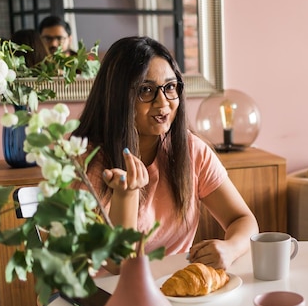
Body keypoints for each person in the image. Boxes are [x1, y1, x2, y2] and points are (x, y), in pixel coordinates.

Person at [72, 36, 258, 271]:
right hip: (107, 295)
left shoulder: (191, 150)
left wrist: (231, 248)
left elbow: (243, 219)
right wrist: (126, 196)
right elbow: (118, 265)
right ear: (118, 97)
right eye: (146, 90)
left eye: (170, 87)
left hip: (174, 289)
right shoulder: (89, 163)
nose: (163, 103)